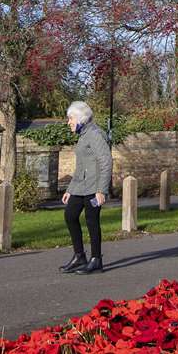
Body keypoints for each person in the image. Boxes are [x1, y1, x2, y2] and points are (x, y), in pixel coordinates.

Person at [58, 99, 111, 275]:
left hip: (94, 188)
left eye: (70, 118)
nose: (68, 122)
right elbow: (80, 167)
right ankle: (79, 256)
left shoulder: (95, 134)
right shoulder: (83, 136)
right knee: (70, 216)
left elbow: (106, 162)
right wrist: (70, 190)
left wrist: (102, 190)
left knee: (91, 221)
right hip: (80, 187)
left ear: (80, 118)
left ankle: (96, 259)